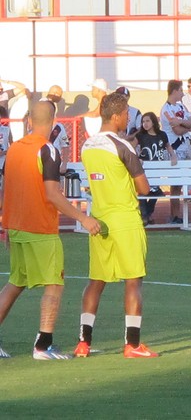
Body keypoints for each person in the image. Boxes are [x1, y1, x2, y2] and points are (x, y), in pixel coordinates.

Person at [0, 100, 100, 360]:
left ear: (29, 120)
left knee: (14, 283)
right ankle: (43, 345)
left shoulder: (13, 150)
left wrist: (7, 224)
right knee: (54, 284)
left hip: (17, 227)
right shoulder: (48, 150)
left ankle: (41, 345)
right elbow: (53, 195)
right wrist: (83, 218)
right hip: (41, 228)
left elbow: (6, 189)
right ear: (54, 120)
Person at [74, 92, 158, 359]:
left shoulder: (87, 146)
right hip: (125, 219)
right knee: (133, 280)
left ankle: (83, 342)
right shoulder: (122, 145)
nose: (127, 118)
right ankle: (132, 344)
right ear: (116, 116)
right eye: (125, 114)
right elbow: (143, 187)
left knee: (96, 281)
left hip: (99, 217)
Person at [160, 79, 191, 224]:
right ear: (174, 91)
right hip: (175, 149)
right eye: (181, 90)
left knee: (181, 183)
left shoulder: (182, 107)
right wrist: (185, 125)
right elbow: (177, 130)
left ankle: (178, 214)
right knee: (176, 184)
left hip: (185, 148)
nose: (183, 93)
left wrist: (183, 123)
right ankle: (174, 214)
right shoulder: (166, 109)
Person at [135, 112, 178, 225]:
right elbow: (131, 146)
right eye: (143, 121)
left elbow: (168, 146)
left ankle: (146, 215)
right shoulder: (140, 136)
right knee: (143, 192)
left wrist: (173, 156)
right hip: (144, 169)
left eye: (148, 121)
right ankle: (145, 216)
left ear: (154, 122)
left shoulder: (162, 135)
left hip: (157, 169)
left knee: (155, 192)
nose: (145, 124)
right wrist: (136, 158)